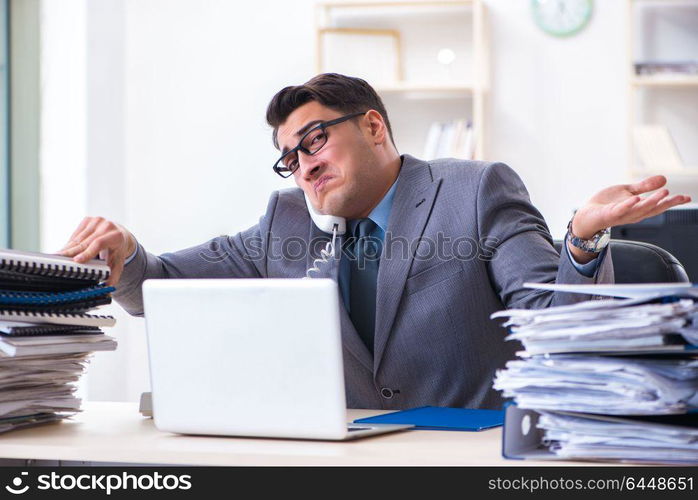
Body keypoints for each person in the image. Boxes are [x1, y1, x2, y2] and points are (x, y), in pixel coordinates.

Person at [60, 73, 690, 410]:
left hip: (467, 458)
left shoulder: (475, 190)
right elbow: (160, 287)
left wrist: (580, 241)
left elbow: (549, 323)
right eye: (287, 158)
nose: (302, 166)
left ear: (373, 125)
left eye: (314, 140)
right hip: (344, 462)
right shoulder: (285, 220)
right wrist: (124, 254)